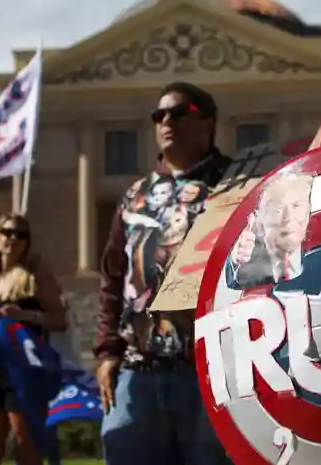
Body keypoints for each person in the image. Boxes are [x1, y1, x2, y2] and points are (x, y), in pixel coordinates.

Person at [94, 81, 233, 465]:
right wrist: (107, 351)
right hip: (137, 370)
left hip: (212, 372)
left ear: (208, 123)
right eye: (160, 115)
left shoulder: (236, 186)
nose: (167, 121)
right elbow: (112, 278)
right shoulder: (135, 196)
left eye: (180, 113)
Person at [0, 213, 67, 465]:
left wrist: (26, 315)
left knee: (25, 441)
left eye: (21, 235)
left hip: (24, 367)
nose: (13, 238)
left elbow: (60, 320)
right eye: (8, 232)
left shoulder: (35, 275)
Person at [225, 172, 313, 289]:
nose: (289, 216)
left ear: (309, 208)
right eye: (278, 208)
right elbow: (234, 281)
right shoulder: (256, 263)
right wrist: (235, 260)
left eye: (297, 205)